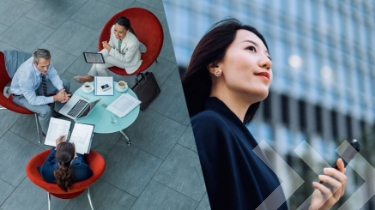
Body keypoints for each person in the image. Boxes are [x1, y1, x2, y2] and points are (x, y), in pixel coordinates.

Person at [182, 18, 347, 210]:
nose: (266, 62)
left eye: (269, 57)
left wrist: (315, 207)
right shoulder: (207, 126)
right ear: (215, 65)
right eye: (251, 49)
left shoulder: (260, 161)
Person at [9, 49, 71, 135]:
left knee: (65, 84)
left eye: (48, 65)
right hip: (21, 96)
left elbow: (53, 75)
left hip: (36, 86)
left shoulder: (45, 61)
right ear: (35, 63)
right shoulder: (25, 77)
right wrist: (56, 98)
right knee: (45, 110)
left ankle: (58, 111)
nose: (46, 69)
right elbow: (33, 100)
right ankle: (46, 132)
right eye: (42, 67)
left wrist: (61, 90)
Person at [74, 16, 142, 83]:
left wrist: (106, 51)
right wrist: (106, 49)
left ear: (127, 31)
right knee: (99, 66)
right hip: (118, 54)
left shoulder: (133, 43)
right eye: (115, 30)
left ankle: (90, 77)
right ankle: (107, 85)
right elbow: (111, 45)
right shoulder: (113, 29)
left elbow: (125, 59)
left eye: (120, 32)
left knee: (100, 58)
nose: (116, 34)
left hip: (129, 62)